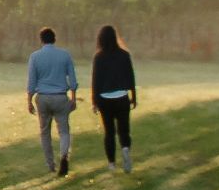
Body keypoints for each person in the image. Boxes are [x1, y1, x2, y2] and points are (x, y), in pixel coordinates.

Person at [26, 27, 80, 177]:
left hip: (43, 97)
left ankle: (50, 164)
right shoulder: (64, 55)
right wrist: (73, 98)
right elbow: (73, 79)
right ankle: (64, 156)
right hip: (60, 97)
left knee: (45, 132)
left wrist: (29, 100)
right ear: (54, 39)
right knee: (64, 131)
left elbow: (32, 81)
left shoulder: (35, 57)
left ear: (41, 40)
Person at [90, 24, 137, 170]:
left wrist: (94, 101)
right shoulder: (124, 55)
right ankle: (125, 149)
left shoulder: (99, 57)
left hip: (105, 98)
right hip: (122, 97)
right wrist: (133, 96)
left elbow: (95, 80)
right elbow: (130, 76)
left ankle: (111, 163)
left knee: (109, 132)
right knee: (124, 129)